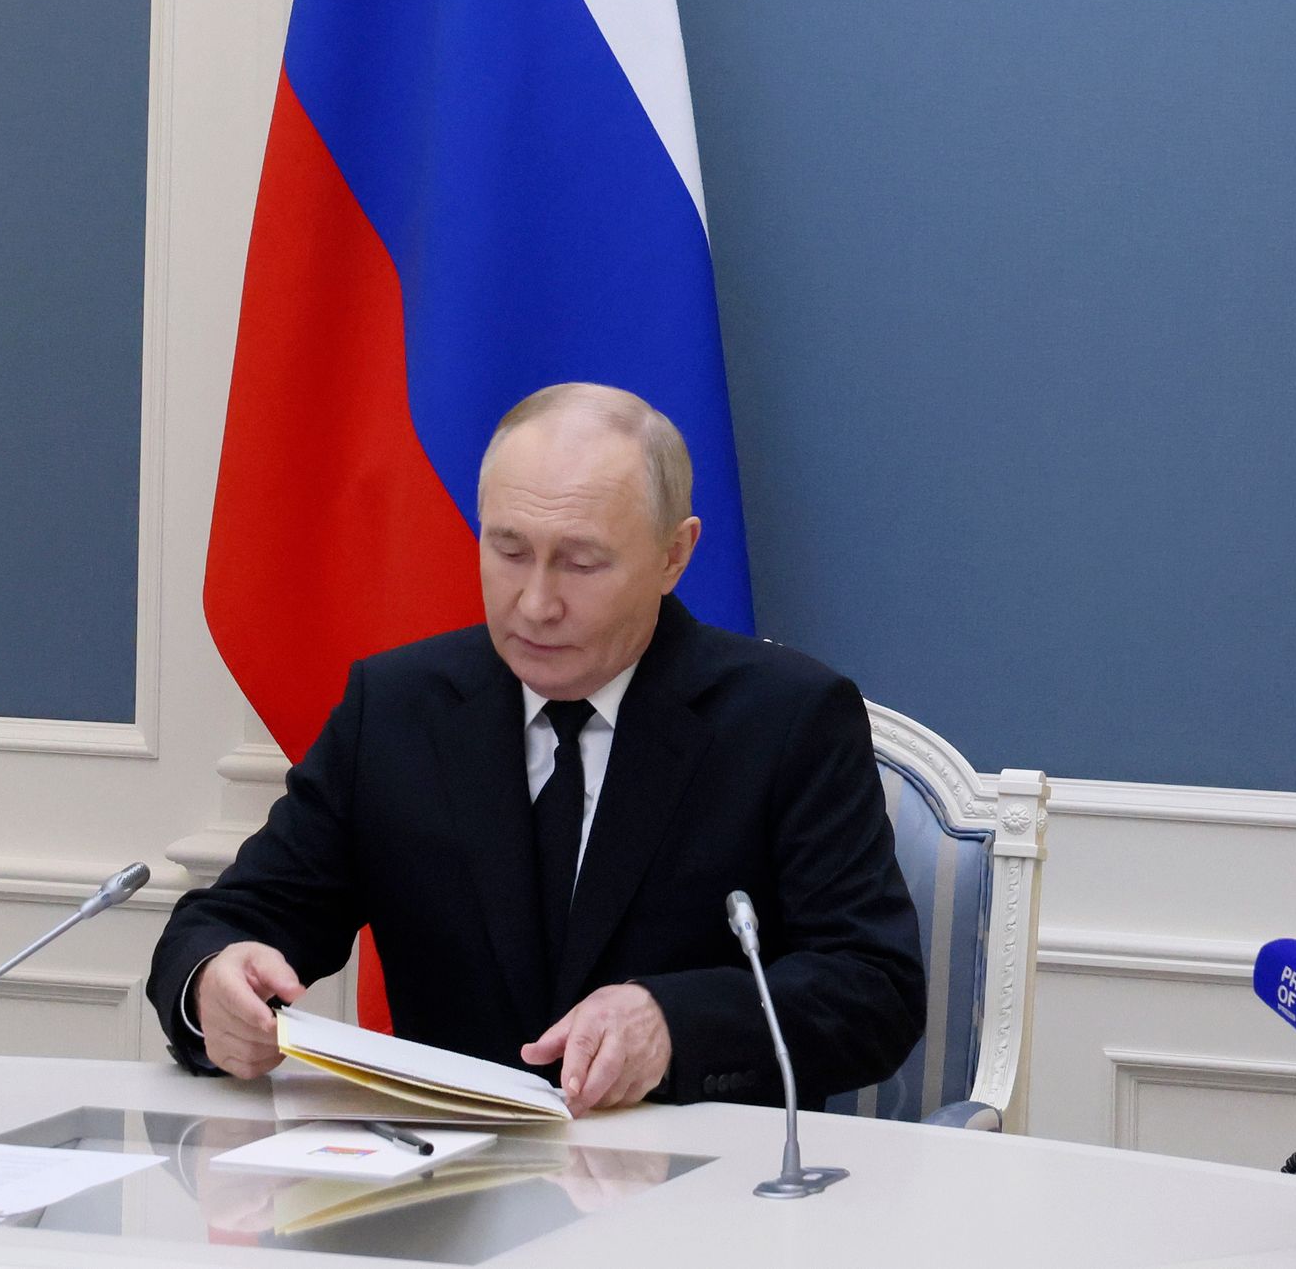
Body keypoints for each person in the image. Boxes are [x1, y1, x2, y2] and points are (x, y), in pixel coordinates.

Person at [147, 383, 923, 1112]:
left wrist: (673, 1021)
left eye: (582, 562)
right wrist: (213, 980)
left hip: (695, 1197)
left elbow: (874, 990)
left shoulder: (786, 719)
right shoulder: (395, 710)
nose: (537, 602)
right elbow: (227, 922)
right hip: (448, 1204)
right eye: (508, 551)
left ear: (673, 556)